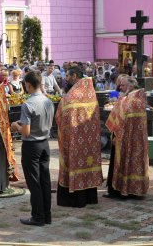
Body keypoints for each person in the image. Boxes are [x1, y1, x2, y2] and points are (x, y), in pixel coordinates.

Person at [56, 66, 103, 208]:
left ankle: (75, 199)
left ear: (75, 76)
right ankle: (90, 198)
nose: (66, 79)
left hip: (75, 141)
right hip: (90, 142)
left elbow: (59, 116)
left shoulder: (70, 96)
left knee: (75, 163)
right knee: (88, 163)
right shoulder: (91, 93)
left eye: (68, 76)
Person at [11, 71, 54, 226]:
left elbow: (26, 132)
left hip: (32, 145)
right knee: (45, 181)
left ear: (28, 85)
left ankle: (38, 216)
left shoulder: (28, 104)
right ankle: (46, 215)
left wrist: (16, 126)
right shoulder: (48, 101)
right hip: (45, 143)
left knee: (34, 182)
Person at [104, 76, 149, 199]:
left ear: (131, 86)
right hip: (135, 139)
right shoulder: (139, 98)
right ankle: (134, 190)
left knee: (122, 161)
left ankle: (120, 190)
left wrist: (116, 135)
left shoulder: (129, 100)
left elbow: (121, 119)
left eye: (123, 85)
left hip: (124, 138)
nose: (120, 88)